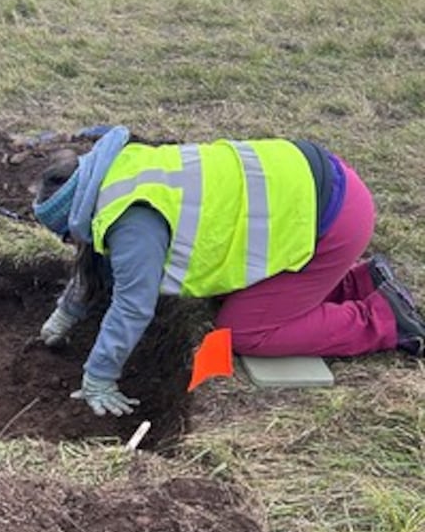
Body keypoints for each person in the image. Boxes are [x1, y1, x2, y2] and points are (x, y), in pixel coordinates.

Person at [32, 127, 424, 416]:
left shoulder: (133, 224)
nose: (73, 243)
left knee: (246, 330)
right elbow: (98, 259)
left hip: (332, 219)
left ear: (75, 216)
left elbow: (133, 305)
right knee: (238, 295)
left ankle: (385, 319)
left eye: (67, 235)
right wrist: (68, 311)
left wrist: (99, 375)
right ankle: (359, 282)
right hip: (320, 182)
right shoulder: (119, 172)